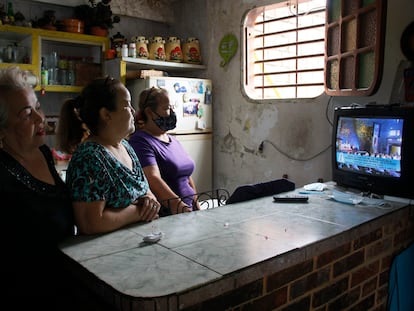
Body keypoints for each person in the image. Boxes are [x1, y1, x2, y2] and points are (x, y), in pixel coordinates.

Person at [0, 66, 110, 309]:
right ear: (2, 129)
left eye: (37, 107)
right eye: (27, 114)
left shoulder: (42, 153)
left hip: (68, 281)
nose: (40, 118)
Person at [56, 76, 160, 235]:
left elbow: (143, 190)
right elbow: (90, 223)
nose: (133, 111)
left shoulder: (125, 146)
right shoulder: (89, 157)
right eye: (127, 105)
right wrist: (139, 212)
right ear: (106, 114)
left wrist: (149, 200)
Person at [129, 87, 200, 216]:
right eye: (167, 108)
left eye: (171, 107)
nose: (171, 112)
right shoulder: (140, 141)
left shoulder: (173, 140)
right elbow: (152, 178)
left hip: (188, 211)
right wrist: (177, 206)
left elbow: (186, 175)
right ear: (150, 112)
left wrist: (196, 203)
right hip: (169, 214)